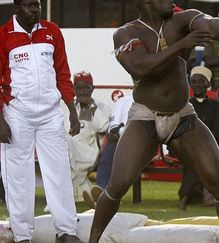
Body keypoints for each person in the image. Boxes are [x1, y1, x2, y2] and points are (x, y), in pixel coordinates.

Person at [89, 1, 219, 242]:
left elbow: (212, 26)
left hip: (183, 115)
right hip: (145, 116)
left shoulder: (181, 20)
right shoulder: (126, 33)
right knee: (117, 186)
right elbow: (139, 67)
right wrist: (181, 45)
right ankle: (93, 239)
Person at [0, 0, 83, 242]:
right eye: (28, 5)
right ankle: (22, 234)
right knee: (18, 175)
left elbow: (62, 72)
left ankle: (67, 231)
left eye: (36, 4)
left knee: (59, 171)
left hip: (50, 114)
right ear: (16, 9)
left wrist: (72, 109)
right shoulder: (4, 35)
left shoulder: (52, 31)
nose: (35, 9)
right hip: (16, 113)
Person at [178, 66, 219, 210]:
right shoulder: (185, 106)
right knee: (193, 158)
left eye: (201, 81)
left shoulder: (218, 107)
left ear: (208, 84)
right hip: (189, 147)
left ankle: (187, 197)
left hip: (214, 147)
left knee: (201, 158)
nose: (197, 85)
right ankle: (186, 198)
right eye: (194, 82)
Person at [68, 71, 111, 207]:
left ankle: (68, 195)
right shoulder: (69, 106)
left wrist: (92, 108)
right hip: (69, 150)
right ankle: (86, 192)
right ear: (73, 89)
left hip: (91, 151)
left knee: (66, 146)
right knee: (66, 144)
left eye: (85, 87)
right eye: (78, 88)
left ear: (92, 88)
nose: (82, 91)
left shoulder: (102, 107)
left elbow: (104, 128)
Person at [89, 94, 134, 207]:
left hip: (142, 141)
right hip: (120, 138)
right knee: (109, 151)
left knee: (121, 159)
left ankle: (108, 198)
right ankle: (102, 192)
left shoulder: (150, 100)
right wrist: (116, 131)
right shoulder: (123, 101)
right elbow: (113, 124)